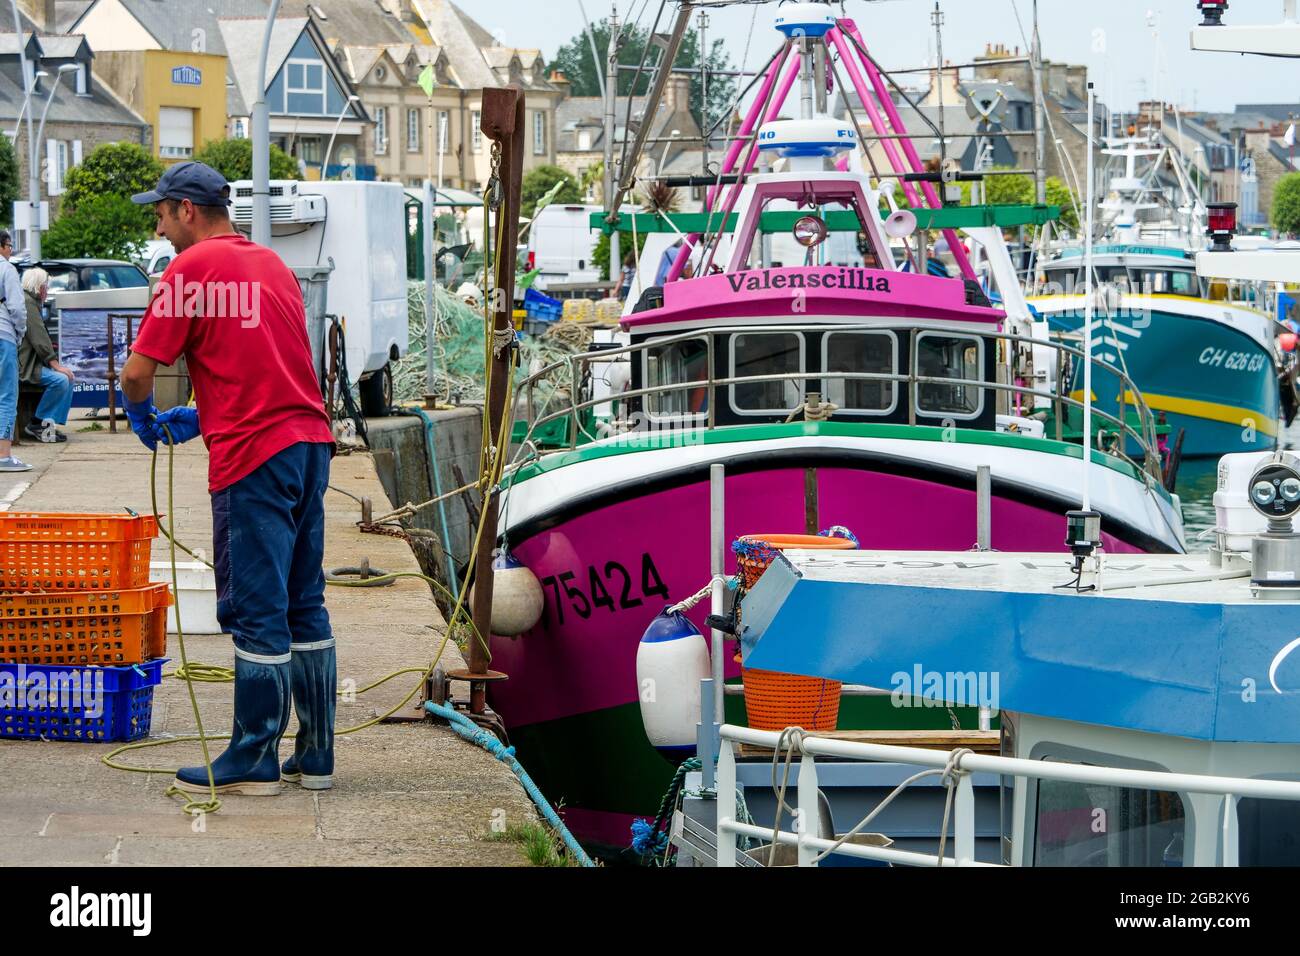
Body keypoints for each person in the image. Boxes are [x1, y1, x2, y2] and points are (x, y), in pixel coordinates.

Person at [119, 161, 338, 795]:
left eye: (160, 214)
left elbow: (137, 374)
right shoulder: (271, 266)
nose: (159, 228)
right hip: (308, 443)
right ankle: (316, 755)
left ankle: (253, 755)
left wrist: (141, 414)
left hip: (254, 455)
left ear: (188, 210)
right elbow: (266, 359)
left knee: (256, 607)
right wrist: (199, 412)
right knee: (305, 601)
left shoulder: (188, 270)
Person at [19, 267, 74, 443]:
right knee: (61, 380)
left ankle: (47, 424)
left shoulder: (28, 301)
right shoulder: (28, 302)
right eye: (45, 286)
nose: (47, 290)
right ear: (38, 286)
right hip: (25, 366)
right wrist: (55, 364)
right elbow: (39, 338)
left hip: (27, 363)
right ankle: (38, 423)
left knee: (67, 378)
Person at [0, 230, 30, 471]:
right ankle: (3, 455)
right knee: (6, 395)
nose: (10, 250)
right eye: (9, 246)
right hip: (3, 336)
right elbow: (17, 309)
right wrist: (19, 332)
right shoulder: (7, 270)